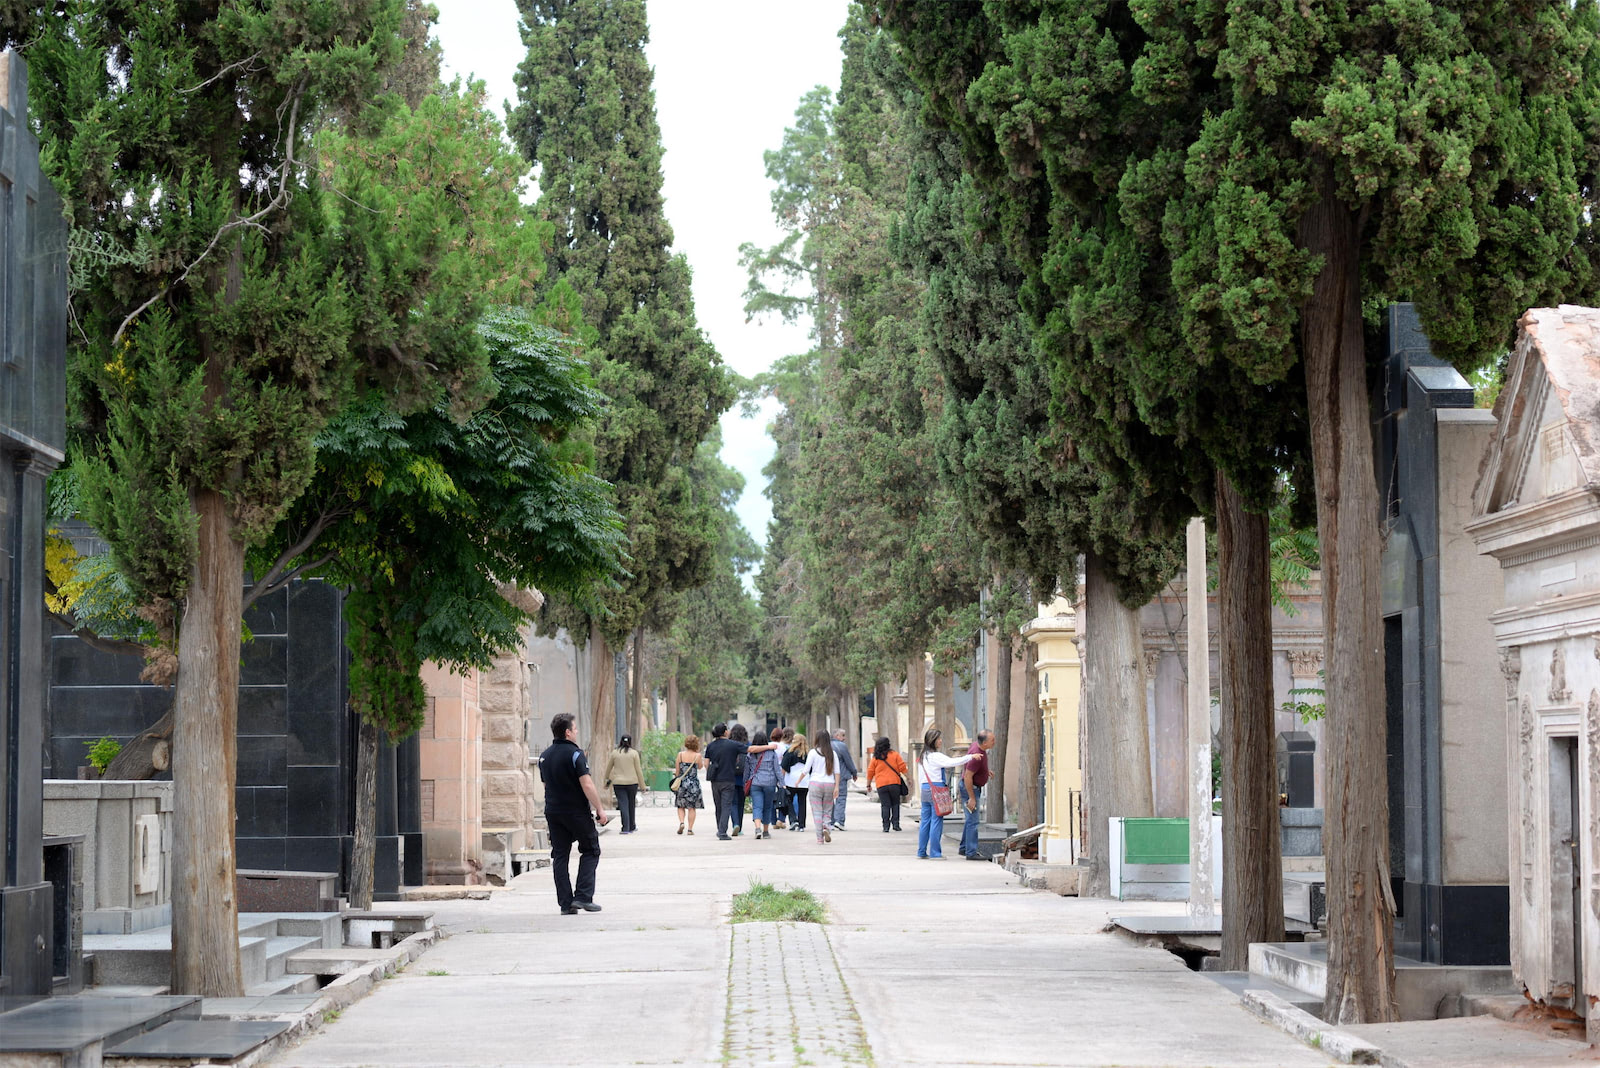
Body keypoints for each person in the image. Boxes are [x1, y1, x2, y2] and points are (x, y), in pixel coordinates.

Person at [538, 713, 608, 914]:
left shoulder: (544, 756)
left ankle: (566, 904)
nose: (576, 732)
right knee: (590, 849)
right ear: (568, 732)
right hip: (576, 812)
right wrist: (599, 809)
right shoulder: (576, 754)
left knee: (560, 856)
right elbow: (586, 783)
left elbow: (545, 783)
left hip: (553, 811)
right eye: (575, 729)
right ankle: (583, 897)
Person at [916, 727, 976, 860]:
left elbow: (921, 777)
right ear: (933, 741)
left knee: (925, 822)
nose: (940, 741)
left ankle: (921, 851)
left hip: (925, 789)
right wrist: (970, 757)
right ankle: (935, 853)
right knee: (937, 820)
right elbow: (952, 762)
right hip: (936, 790)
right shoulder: (935, 756)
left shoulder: (922, 757)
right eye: (938, 739)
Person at [704, 723, 746, 841]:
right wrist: (768, 747)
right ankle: (722, 832)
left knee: (718, 806)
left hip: (715, 780)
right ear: (725, 732)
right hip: (728, 779)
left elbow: (706, 764)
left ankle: (720, 829)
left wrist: (711, 772)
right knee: (726, 805)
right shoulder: (732, 745)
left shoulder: (710, 746)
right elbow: (750, 749)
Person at [959, 729, 997, 859]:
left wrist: (985, 771)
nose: (994, 742)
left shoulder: (977, 746)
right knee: (973, 822)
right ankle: (971, 852)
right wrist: (972, 798)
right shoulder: (977, 755)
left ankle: (964, 848)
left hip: (973, 786)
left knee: (970, 820)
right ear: (985, 742)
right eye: (992, 740)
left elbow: (974, 771)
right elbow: (968, 777)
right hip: (971, 788)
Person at [800, 730, 840, 843]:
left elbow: (806, 770)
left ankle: (819, 838)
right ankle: (826, 826)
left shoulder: (813, 753)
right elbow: (837, 771)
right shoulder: (833, 753)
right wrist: (837, 786)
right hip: (829, 784)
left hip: (815, 783)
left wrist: (798, 781)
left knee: (817, 811)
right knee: (827, 810)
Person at [743, 730, 784, 839]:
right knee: (767, 807)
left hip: (755, 782)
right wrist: (782, 783)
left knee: (757, 806)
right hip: (770, 783)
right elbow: (777, 770)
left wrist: (745, 783)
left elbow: (746, 771)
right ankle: (766, 831)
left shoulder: (750, 754)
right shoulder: (771, 753)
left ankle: (757, 829)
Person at [866, 736, 909, 833]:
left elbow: (870, 772)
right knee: (895, 804)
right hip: (895, 784)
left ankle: (885, 826)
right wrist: (909, 778)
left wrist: (868, 785)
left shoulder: (875, 758)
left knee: (885, 805)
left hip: (881, 785)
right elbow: (902, 767)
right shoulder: (895, 755)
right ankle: (896, 825)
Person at [604, 734, 643, 835]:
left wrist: (607, 780)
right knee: (631, 804)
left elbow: (608, 769)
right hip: (632, 783)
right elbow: (638, 770)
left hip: (618, 783)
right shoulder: (634, 753)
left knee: (623, 804)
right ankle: (632, 826)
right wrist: (642, 785)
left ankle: (625, 828)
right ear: (630, 742)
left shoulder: (615, 753)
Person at [673, 735, 707, 834]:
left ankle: (682, 822)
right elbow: (700, 767)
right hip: (693, 784)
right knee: (692, 807)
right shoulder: (698, 756)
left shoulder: (680, 755)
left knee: (680, 806)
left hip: (682, 784)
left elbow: (677, 771)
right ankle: (690, 829)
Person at [781, 731, 811, 831]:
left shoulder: (789, 752)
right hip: (804, 781)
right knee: (802, 802)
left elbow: (783, 768)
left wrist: (781, 781)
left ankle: (793, 820)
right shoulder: (808, 754)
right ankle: (801, 825)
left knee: (788, 800)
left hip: (791, 781)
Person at [830, 729, 859, 829]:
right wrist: (854, 772)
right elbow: (848, 761)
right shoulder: (841, 746)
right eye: (843, 735)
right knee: (841, 798)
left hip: (828, 776)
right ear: (837, 736)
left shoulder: (826, 746)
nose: (844, 738)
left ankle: (831, 820)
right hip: (841, 776)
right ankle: (839, 821)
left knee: (830, 799)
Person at [728, 724, 751, 836]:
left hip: (730, 776)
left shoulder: (729, 745)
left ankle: (735, 824)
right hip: (744, 778)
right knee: (741, 803)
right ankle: (740, 827)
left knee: (733, 802)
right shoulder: (748, 744)